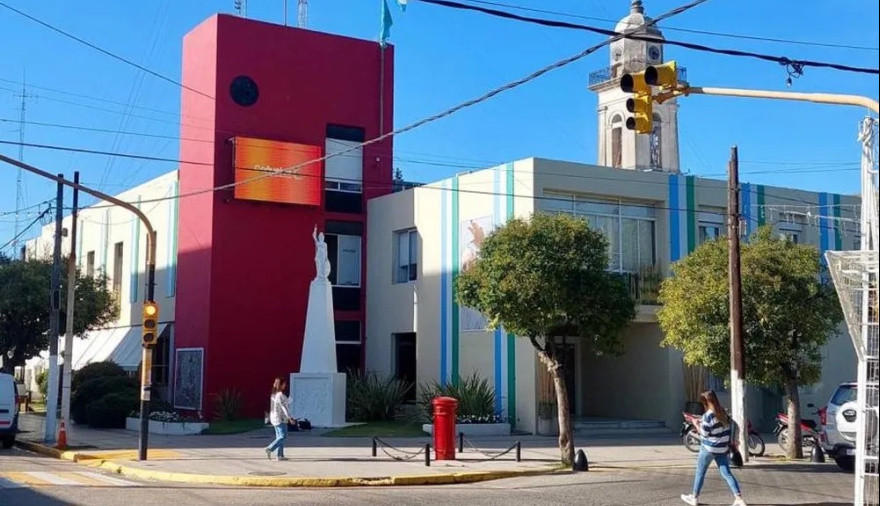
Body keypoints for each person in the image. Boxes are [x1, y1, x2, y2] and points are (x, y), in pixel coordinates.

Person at [681, 390, 747, 506]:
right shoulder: (723, 412)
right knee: (727, 473)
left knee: (700, 473)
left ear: (705, 402)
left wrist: (696, 424)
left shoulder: (708, 416)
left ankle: (694, 498)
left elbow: (704, 433)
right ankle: (739, 498)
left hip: (708, 448)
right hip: (722, 448)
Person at [264, 376, 293, 461]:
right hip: (280, 418)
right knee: (283, 436)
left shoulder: (274, 395)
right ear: (280, 384)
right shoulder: (280, 395)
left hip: (274, 417)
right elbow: (284, 407)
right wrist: (290, 417)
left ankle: (280, 455)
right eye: (284, 384)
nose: (285, 385)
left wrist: (288, 401)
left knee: (279, 437)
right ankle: (270, 448)